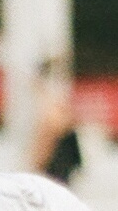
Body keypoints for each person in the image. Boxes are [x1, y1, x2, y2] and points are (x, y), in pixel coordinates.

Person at [28, 55, 82, 186]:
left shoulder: (50, 101)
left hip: (55, 169)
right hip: (59, 166)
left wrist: (35, 162)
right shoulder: (56, 100)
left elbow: (51, 130)